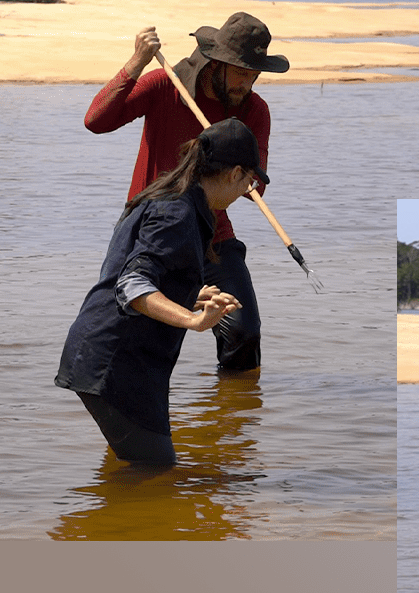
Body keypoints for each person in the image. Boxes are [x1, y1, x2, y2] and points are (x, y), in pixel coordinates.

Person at [85, 12, 290, 370]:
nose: (248, 83)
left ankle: (229, 419)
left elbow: (255, 180)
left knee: (244, 332)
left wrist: (250, 181)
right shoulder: (166, 85)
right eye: (241, 72)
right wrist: (136, 63)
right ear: (217, 63)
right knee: (131, 334)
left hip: (211, 236)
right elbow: (96, 121)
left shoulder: (255, 110)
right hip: (149, 232)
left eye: (254, 74)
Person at [56, 119, 267, 464]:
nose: (248, 189)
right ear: (234, 173)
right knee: (157, 472)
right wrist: (194, 320)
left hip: (109, 356)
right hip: (114, 362)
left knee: (134, 472)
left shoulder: (175, 198)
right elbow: (132, 285)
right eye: (250, 180)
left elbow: (135, 273)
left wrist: (190, 294)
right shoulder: (176, 213)